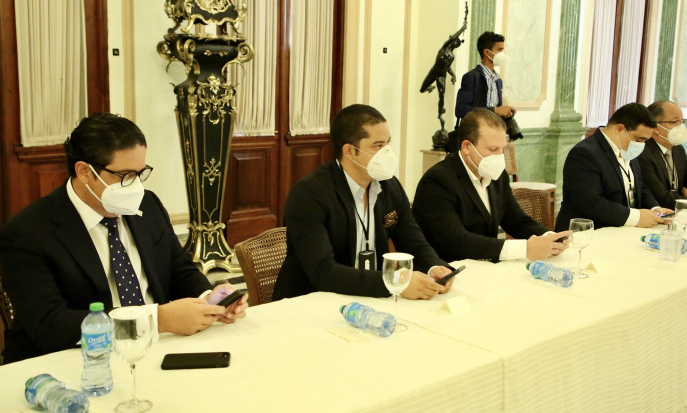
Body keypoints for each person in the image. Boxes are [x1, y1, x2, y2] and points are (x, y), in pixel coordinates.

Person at [0, 113, 247, 363]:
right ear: (84, 171)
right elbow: (50, 325)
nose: (135, 186)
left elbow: (179, 269)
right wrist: (155, 320)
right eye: (125, 175)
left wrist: (210, 299)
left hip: (155, 350)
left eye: (140, 173)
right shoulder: (28, 232)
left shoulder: (147, 205)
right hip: (73, 360)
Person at [273, 104, 455, 301]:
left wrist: (434, 267)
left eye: (388, 144)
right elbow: (323, 272)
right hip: (310, 302)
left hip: (368, 298)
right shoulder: (309, 195)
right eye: (378, 146)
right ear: (350, 151)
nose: (387, 153)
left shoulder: (389, 186)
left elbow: (414, 241)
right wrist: (394, 283)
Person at [412, 109, 570, 262]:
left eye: (502, 149)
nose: (499, 156)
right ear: (467, 147)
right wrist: (524, 248)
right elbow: (457, 242)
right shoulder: (437, 181)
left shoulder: (497, 176)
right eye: (493, 149)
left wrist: (550, 238)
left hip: (485, 266)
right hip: (447, 269)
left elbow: (516, 220)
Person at [555, 103, 674, 231]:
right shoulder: (585, 153)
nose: (642, 145)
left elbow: (639, 186)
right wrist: (636, 217)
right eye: (639, 140)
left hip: (622, 230)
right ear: (620, 129)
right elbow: (590, 203)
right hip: (587, 232)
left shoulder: (627, 149)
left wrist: (654, 209)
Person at [454, 31, 521, 143]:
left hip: (493, 137)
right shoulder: (472, 77)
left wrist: (507, 115)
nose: (502, 54)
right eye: (499, 50)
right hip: (475, 137)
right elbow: (461, 110)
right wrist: (495, 110)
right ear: (487, 52)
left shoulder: (498, 80)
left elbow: (497, 112)